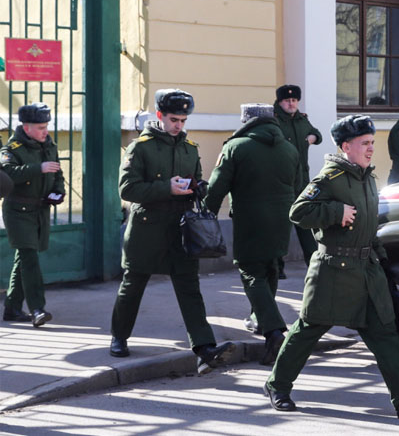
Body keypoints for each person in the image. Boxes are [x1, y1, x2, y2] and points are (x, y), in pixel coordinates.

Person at [265, 115, 399, 418]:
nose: (371, 148)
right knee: (309, 328)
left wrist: (383, 263)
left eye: (372, 142)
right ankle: (277, 385)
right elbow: (298, 212)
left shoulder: (366, 178)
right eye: (365, 143)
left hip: (367, 269)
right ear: (346, 146)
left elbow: (370, 228)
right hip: (333, 269)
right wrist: (335, 211)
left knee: (383, 332)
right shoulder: (330, 177)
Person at [109, 89, 235, 373]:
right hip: (147, 228)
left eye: (183, 119)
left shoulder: (190, 146)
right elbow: (127, 189)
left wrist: (198, 187)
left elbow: (198, 179)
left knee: (189, 287)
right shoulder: (141, 147)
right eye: (174, 119)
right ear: (160, 116)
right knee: (133, 285)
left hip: (181, 228)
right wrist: (166, 187)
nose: (179, 125)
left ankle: (204, 348)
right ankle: (119, 337)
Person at [205, 103, 299, 366]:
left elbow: (217, 186)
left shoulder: (236, 147)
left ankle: (273, 330)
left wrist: (205, 215)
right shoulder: (289, 148)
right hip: (283, 219)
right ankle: (260, 321)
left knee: (250, 272)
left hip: (250, 220)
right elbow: (297, 183)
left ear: (246, 122)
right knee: (270, 267)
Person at [1, 103, 65, 326]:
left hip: (40, 210)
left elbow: (57, 174)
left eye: (46, 126)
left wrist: (58, 192)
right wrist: (39, 168)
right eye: (40, 127)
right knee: (29, 257)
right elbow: (6, 174)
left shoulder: (49, 146)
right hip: (18, 210)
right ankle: (38, 308)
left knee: (24, 258)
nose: (45, 131)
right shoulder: (11, 149)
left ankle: (12, 308)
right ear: (26, 127)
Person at [273, 84, 322, 280]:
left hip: (303, 181)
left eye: (294, 101)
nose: (291, 104)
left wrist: (312, 137)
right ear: (280, 102)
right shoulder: (274, 121)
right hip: (282, 181)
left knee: (306, 223)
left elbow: (316, 134)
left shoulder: (302, 119)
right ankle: (277, 267)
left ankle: (314, 263)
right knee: (280, 226)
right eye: (287, 101)